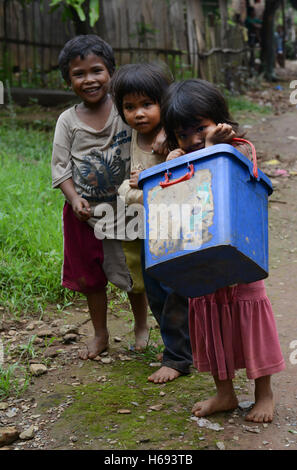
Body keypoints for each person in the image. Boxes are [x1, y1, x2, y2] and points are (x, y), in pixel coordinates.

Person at [161, 78, 285, 422]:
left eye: (199, 128)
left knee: (249, 322)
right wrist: (171, 162)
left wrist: (214, 147)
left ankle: (264, 394)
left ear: (220, 120)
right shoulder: (180, 157)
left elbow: (228, 175)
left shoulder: (240, 148)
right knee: (210, 321)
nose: (192, 140)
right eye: (182, 135)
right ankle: (225, 393)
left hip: (239, 260)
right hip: (200, 258)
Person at [51, 35, 149, 360]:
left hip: (127, 210)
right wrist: (74, 197)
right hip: (84, 216)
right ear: (68, 79)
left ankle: (141, 326)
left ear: (111, 72)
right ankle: (101, 334)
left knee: (135, 273)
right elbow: (61, 168)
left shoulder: (126, 111)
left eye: (97, 70)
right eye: (79, 74)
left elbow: (148, 139)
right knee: (91, 279)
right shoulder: (67, 121)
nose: (89, 79)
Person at [110, 63, 192, 383]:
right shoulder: (132, 136)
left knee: (175, 291)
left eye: (148, 104)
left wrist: (169, 135)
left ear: (165, 104)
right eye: (129, 107)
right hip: (147, 231)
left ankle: (178, 357)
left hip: (174, 230)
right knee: (156, 292)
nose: (139, 114)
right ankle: (179, 346)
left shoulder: (174, 140)